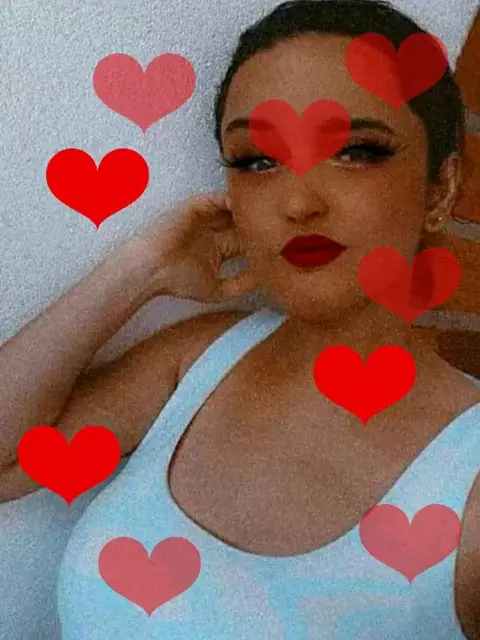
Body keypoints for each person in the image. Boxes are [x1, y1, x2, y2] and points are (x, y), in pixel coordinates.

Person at [0, 0, 479, 638]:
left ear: (440, 189)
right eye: (258, 160)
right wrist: (139, 270)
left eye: (357, 151)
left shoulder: (467, 477)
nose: (299, 201)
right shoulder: (196, 364)